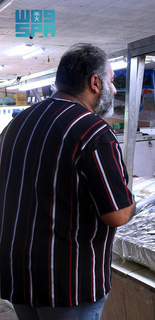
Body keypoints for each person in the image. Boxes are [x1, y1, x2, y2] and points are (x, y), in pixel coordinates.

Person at [0, 43, 135, 320]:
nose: (114, 89)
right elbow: (117, 214)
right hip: (67, 283)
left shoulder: (17, 124)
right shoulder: (93, 131)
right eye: (110, 81)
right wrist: (134, 205)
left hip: (18, 273)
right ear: (94, 82)